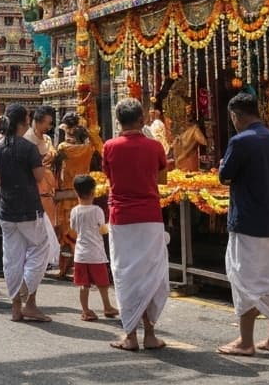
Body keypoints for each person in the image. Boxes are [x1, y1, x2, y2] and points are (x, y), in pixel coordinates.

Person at [217, 92, 269, 357]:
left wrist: (222, 166)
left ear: (236, 115)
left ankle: (246, 341)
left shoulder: (240, 141)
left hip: (247, 219)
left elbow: (225, 175)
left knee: (243, 278)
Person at [102, 96, 170, 351]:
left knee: (125, 274)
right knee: (151, 274)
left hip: (121, 217)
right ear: (142, 120)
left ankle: (130, 335)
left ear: (118, 122)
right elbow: (162, 180)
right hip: (150, 217)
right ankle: (150, 333)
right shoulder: (155, 147)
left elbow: (110, 177)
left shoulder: (110, 146)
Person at [0, 105, 52, 323]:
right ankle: (26, 289)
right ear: (22, 122)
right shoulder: (28, 148)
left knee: (12, 258)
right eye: (27, 117)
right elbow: (38, 177)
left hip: (7, 209)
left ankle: (17, 307)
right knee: (41, 248)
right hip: (28, 208)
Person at [69, 173, 118, 322]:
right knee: (103, 283)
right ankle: (107, 306)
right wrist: (109, 227)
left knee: (84, 285)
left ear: (76, 192)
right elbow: (102, 230)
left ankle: (85, 310)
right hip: (96, 253)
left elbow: (73, 228)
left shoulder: (75, 211)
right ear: (93, 192)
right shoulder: (97, 210)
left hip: (80, 254)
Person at [52, 113, 94, 279]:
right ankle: (79, 269)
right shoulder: (87, 148)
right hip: (82, 193)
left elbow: (56, 167)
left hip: (66, 194)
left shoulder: (63, 148)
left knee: (65, 234)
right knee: (80, 233)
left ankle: (66, 268)